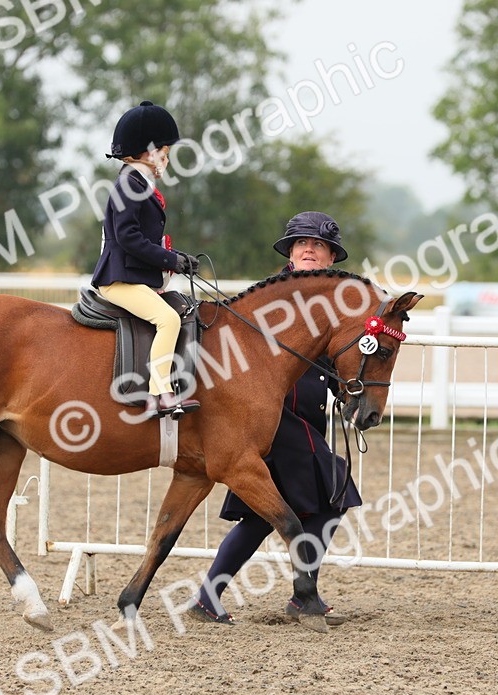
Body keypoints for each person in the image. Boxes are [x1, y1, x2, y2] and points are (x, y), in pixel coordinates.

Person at [189, 211, 362, 625]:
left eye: (318, 245)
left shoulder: (336, 304)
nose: (309, 250)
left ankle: (208, 598)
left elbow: (338, 356)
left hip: (310, 414)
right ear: (290, 252)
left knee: (261, 515)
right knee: (333, 490)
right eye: (302, 243)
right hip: (271, 415)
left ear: (331, 257)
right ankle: (304, 596)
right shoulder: (269, 297)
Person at [92, 100, 202, 419]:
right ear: (149, 153)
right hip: (118, 279)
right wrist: (170, 259)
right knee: (168, 319)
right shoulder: (129, 184)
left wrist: (175, 259)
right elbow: (128, 237)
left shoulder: (138, 183)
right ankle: (160, 393)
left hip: (132, 276)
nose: (167, 160)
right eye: (165, 153)